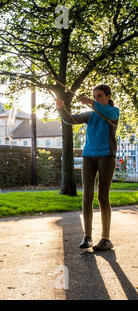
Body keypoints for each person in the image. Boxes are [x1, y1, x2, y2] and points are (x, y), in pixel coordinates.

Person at [56, 84, 119, 251]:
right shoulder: (90, 116)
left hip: (106, 155)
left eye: (100, 96)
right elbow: (70, 119)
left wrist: (91, 102)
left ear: (108, 97)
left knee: (103, 196)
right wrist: (62, 109)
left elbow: (107, 113)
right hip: (88, 156)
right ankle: (88, 237)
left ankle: (106, 239)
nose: (97, 98)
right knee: (87, 195)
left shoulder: (113, 112)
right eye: (95, 96)